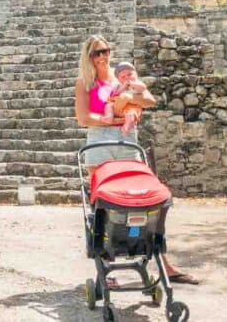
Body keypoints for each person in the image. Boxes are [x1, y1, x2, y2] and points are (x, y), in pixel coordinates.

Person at [74, 34, 201, 286]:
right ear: (89, 56)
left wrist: (129, 99)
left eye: (105, 51)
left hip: (126, 140)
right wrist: (111, 119)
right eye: (97, 53)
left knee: (143, 199)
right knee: (102, 207)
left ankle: (164, 263)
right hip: (100, 142)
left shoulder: (122, 75)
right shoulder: (85, 82)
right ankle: (106, 268)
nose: (102, 56)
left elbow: (149, 100)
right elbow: (83, 118)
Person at [102, 61, 145, 135]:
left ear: (135, 74)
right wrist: (123, 87)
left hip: (131, 106)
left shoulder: (138, 83)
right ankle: (109, 116)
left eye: (129, 74)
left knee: (131, 114)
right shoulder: (118, 86)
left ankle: (127, 126)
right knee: (109, 105)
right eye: (123, 77)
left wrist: (133, 84)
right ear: (118, 79)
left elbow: (142, 88)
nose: (127, 78)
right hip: (118, 105)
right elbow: (115, 94)